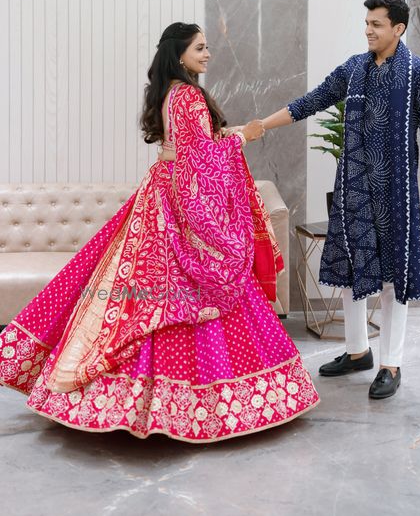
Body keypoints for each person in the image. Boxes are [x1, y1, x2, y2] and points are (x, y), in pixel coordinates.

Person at [0, 22, 319, 441]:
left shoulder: (168, 92)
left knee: (136, 292)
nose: (207, 55)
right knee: (184, 294)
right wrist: (243, 135)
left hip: (161, 193)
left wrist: (222, 136)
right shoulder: (188, 94)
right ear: (180, 53)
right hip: (178, 202)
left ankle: (126, 401)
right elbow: (198, 159)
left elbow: (188, 149)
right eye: (200, 48)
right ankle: (200, 407)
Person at [260, 0, 420, 399]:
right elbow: (311, 101)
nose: (368, 30)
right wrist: (260, 126)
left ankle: (390, 363)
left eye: (376, 24)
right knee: (351, 268)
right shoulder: (354, 69)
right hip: (354, 189)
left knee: (395, 277)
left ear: (398, 29)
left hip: (397, 193)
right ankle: (358, 351)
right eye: (366, 23)